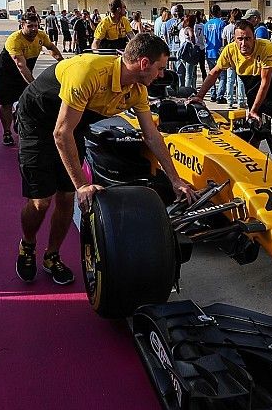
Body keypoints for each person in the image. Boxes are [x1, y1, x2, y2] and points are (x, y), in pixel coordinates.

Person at [14, 33, 196, 284]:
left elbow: (152, 136)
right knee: (41, 201)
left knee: (66, 198)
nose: (162, 74)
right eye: (160, 68)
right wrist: (83, 184)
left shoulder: (137, 90)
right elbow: (60, 133)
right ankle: (28, 244)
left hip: (72, 124)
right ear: (144, 63)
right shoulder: (88, 72)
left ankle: (52, 255)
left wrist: (175, 179)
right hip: (38, 121)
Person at [193, 20, 272, 180]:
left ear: (254, 38)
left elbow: (265, 83)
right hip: (253, 94)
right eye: (240, 39)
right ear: (234, 39)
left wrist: (253, 110)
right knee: (254, 134)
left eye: (247, 38)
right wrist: (199, 96)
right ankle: (249, 174)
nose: (243, 43)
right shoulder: (230, 50)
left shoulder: (266, 47)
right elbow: (214, 73)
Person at [0, 12, 63, 146]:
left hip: (27, 68)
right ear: (22, 25)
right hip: (8, 72)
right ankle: (7, 132)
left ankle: (23, 121)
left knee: (27, 100)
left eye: (36, 26)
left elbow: (51, 48)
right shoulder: (14, 40)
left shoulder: (41, 35)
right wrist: (34, 85)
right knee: (6, 103)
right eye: (30, 26)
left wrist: (63, 62)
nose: (33, 29)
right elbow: (21, 66)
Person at [221, 8, 245, 107]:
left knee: (230, 80)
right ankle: (241, 101)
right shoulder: (241, 28)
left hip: (230, 56)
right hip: (240, 56)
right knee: (240, 80)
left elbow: (224, 43)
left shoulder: (227, 28)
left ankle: (229, 101)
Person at [204, 5, 226, 104]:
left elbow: (205, 38)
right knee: (222, 76)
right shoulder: (221, 23)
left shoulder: (206, 24)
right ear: (219, 12)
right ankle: (220, 96)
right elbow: (223, 38)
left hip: (209, 52)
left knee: (212, 74)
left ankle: (213, 94)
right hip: (219, 52)